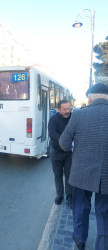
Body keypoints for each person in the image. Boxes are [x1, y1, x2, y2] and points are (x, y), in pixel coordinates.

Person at [59, 83, 108, 250]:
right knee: (105, 213)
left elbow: (64, 143)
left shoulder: (79, 115)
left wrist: (77, 148)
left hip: (82, 172)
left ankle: (80, 240)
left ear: (90, 98)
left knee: (80, 208)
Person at [48, 100, 73, 208]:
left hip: (69, 153)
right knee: (58, 175)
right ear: (58, 109)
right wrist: (65, 140)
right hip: (56, 152)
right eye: (65, 109)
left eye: (69, 108)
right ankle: (59, 194)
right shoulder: (53, 120)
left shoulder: (73, 118)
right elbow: (52, 134)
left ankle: (69, 195)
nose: (68, 111)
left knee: (69, 175)